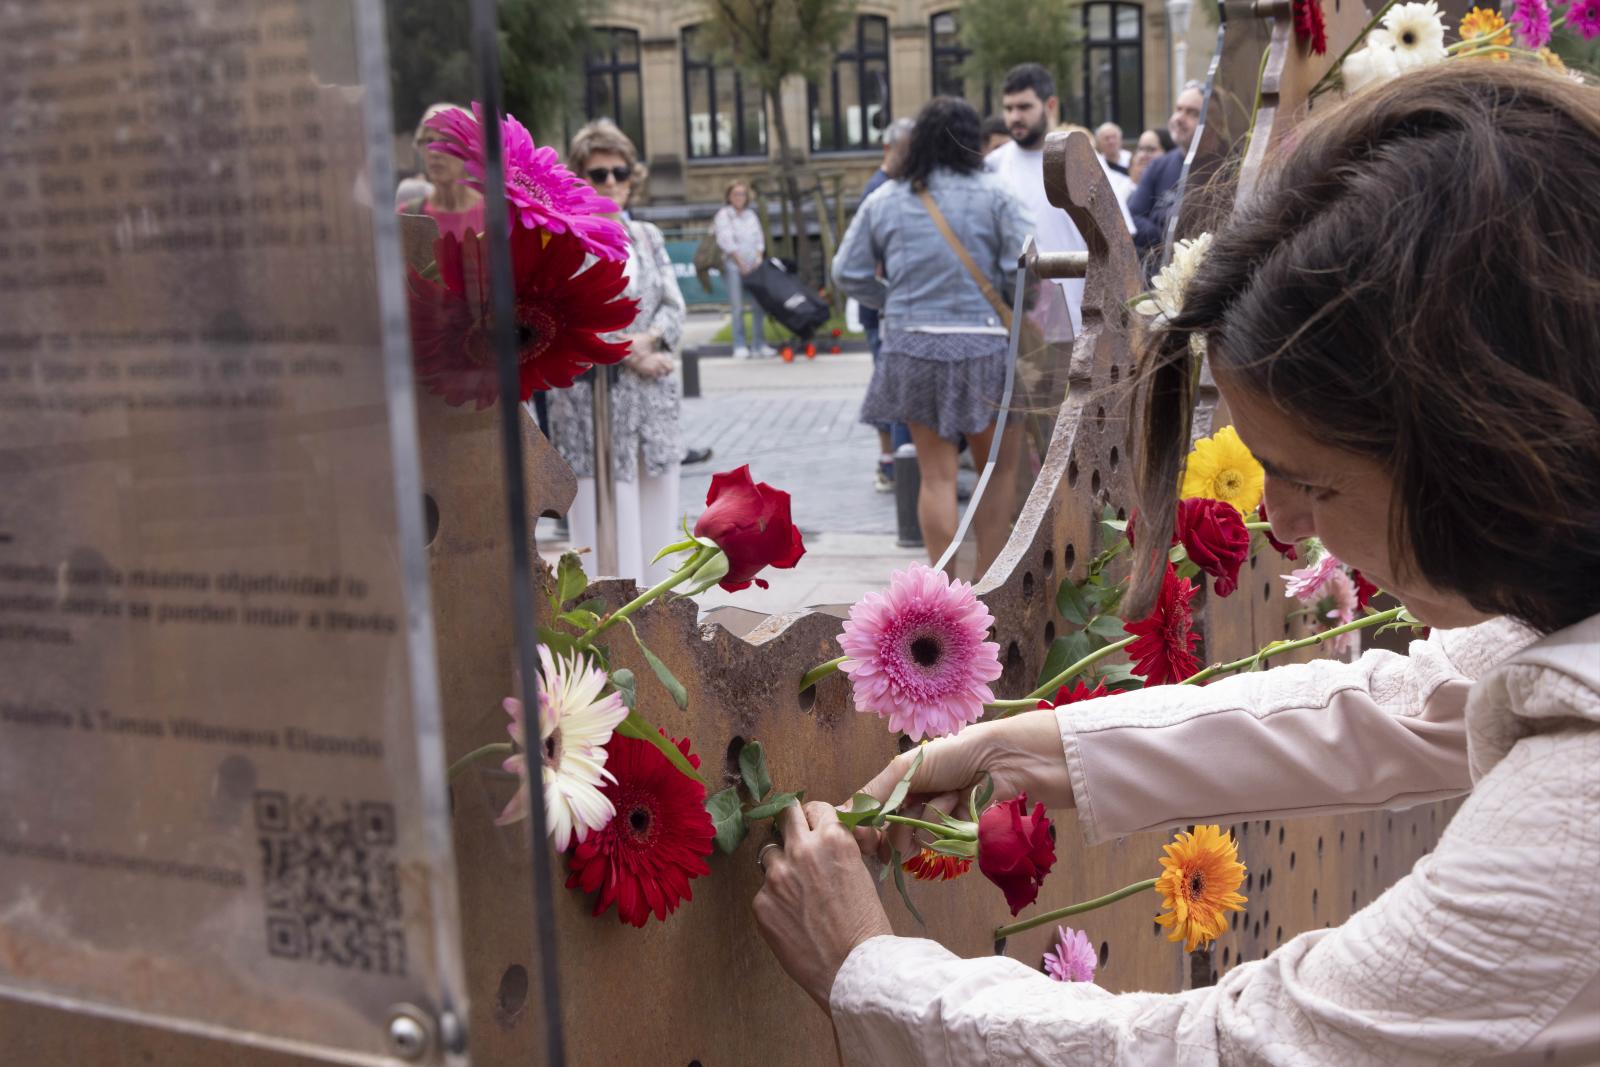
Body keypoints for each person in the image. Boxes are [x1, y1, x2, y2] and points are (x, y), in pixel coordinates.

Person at [755, 63, 1600, 1065]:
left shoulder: (1570, 825)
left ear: (1483, 450)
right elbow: (1407, 702)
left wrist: (869, 969)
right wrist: (1025, 747)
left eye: (1315, 483)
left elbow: (1248, 1047)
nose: (1282, 523)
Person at [834, 97, 1033, 577]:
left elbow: (847, 272)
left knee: (936, 476)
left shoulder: (887, 198)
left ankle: (945, 592)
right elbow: (1025, 269)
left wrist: (893, 302)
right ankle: (992, 587)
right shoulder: (998, 194)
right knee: (999, 472)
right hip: (983, 346)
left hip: (911, 347)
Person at [547, 121, 686, 585]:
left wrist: (648, 342)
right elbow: (570, 317)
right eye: (597, 173)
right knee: (603, 536)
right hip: (593, 410)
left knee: (658, 536)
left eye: (619, 171)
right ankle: (608, 642)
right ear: (578, 178)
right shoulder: (565, 241)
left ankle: (660, 631)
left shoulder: (647, 236)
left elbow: (674, 307)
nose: (610, 182)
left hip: (652, 406)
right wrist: (632, 353)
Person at [987, 63, 1134, 335]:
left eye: (1024, 107)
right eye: (1008, 109)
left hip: (1081, 321)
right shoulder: (994, 166)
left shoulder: (1083, 160)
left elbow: (1121, 239)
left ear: (1050, 104)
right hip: (1018, 327)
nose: (1014, 117)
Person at [859, 117, 916, 492]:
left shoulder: (899, 187)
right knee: (894, 391)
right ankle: (899, 471)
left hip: (890, 310)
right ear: (888, 150)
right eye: (906, 151)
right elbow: (861, 264)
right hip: (883, 313)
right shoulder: (879, 191)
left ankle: (895, 467)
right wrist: (888, 299)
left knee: (893, 388)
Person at [1129, 82, 1204, 262]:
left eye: (1192, 112)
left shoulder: (1226, 165)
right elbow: (1132, 219)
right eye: (1179, 109)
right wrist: (1166, 239)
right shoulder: (1159, 166)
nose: (1179, 118)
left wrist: (1158, 218)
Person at [396, 103, 484, 242]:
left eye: (446, 141)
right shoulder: (407, 216)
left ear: (469, 151)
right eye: (428, 141)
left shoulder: (495, 214)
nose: (434, 151)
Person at [712, 181, 775, 360]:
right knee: (738, 306)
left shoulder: (750, 215)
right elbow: (726, 241)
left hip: (754, 265)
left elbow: (759, 239)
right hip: (733, 265)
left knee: (759, 305)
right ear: (729, 196)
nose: (739, 197)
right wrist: (741, 264)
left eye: (742, 194)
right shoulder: (724, 215)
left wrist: (757, 258)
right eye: (736, 194)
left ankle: (759, 344)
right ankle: (739, 344)